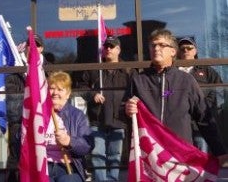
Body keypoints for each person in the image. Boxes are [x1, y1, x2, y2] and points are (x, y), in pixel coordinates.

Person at [125, 28, 228, 165]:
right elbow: (122, 114)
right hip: (150, 154)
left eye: (162, 45)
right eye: (153, 45)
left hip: (180, 154)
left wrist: (219, 151)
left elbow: (204, 118)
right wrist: (127, 110)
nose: (156, 48)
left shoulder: (186, 81)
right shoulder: (138, 80)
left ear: (173, 51)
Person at [80, 36, 130, 182]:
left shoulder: (128, 70)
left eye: (112, 46)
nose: (108, 48)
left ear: (118, 49)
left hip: (119, 119)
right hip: (97, 120)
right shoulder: (95, 69)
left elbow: (136, 91)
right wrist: (92, 95)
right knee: (97, 154)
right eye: (106, 46)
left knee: (115, 155)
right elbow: (81, 87)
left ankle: (113, 180)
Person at [5, 33, 50, 182]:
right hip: (19, 121)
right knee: (18, 156)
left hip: (42, 121)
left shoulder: (49, 69)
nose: (33, 47)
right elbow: (11, 98)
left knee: (39, 155)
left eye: (36, 45)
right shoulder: (15, 70)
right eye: (30, 44)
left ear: (41, 48)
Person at [46, 71, 94, 182]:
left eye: (60, 89)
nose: (55, 93)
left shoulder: (77, 115)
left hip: (68, 167)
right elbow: (20, 140)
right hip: (42, 166)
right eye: (52, 88)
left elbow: (88, 145)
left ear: (68, 94)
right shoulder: (38, 114)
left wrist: (69, 141)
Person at [177, 37, 223, 153]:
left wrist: (206, 105)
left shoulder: (206, 70)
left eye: (189, 48)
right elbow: (166, 92)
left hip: (201, 122)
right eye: (182, 49)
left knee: (202, 153)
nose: (186, 51)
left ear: (195, 51)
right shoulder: (173, 71)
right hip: (180, 122)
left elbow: (219, 89)